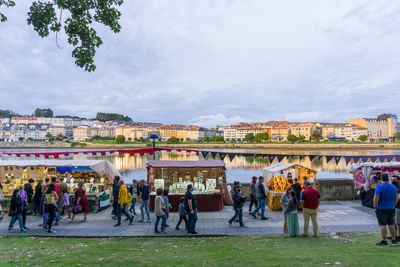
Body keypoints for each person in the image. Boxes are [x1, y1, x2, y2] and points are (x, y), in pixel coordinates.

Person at [373, 173, 399, 246]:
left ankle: (384, 241)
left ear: (381, 179)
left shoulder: (379, 187)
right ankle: (394, 240)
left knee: (383, 224)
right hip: (391, 207)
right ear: (388, 178)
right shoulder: (393, 187)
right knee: (391, 224)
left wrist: (375, 207)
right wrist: (394, 204)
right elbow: (397, 197)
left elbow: (375, 198)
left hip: (381, 208)